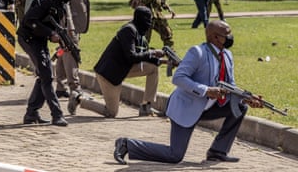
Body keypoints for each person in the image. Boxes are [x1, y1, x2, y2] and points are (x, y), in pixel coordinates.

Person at [113, 20, 264, 164]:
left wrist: (246, 98)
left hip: (208, 107)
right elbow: (178, 78)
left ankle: (218, 152)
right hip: (186, 108)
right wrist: (206, 90)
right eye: (226, 35)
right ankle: (127, 145)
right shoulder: (197, 52)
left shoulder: (227, 55)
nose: (230, 38)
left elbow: (230, 85)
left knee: (240, 107)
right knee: (175, 155)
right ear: (214, 37)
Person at [68, 6, 164, 118]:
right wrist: (152, 53)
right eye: (148, 20)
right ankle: (78, 98)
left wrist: (162, 60)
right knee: (111, 112)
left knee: (153, 68)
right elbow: (132, 57)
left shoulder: (137, 32)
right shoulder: (128, 30)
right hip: (109, 74)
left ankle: (146, 106)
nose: (149, 24)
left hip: (123, 68)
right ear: (141, 19)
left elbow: (141, 55)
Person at [16, 0, 79, 126]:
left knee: (45, 75)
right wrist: (50, 34)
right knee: (46, 75)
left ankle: (31, 113)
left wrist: (64, 42)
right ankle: (57, 114)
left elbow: (56, 25)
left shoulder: (61, 2)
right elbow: (29, 21)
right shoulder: (46, 0)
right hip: (28, 38)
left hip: (40, 39)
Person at [54, 0, 90, 116]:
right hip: (70, 27)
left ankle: (60, 87)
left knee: (62, 53)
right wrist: (69, 28)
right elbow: (66, 4)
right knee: (71, 55)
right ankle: (75, 89)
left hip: (72, 26)